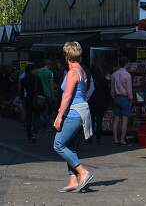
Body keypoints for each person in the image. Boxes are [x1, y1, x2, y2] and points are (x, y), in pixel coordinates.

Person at [53, 42, 94, 193]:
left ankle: (83, 172)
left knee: (58, 144)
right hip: (82, 110)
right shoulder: (81, 70)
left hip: (73, 112)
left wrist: (59, 116)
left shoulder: (72, 73)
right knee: (70, 146)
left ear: (66, 56)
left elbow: (67, 96)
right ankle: (72, 180)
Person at [110, 57, 133, 145]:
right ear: (126, 63)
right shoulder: (127, 75)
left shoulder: (114, 74)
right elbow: (129, 90)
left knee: (116, 119)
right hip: (125, 98)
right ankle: (122, 139)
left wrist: (113, 96)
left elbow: (112, 89)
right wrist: (130, 99)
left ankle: (115, 139)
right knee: (124, 119)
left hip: (116, 98)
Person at [88, 64, 112, 144]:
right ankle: (98, 138)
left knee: (91, 120)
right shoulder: (103, 80)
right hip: (101, 103)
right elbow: (107, 92)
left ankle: (90, 137)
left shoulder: (91, 80)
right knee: (99, 121)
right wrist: (108, 102)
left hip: (92, 102)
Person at [20, 63, 40, 143]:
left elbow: (22, 92)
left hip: (28, 100)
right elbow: (40, 90)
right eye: (34, 69)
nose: (35, 70)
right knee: (36, 117)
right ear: (31, 70)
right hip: (36, 100)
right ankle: (34, 133)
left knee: (29, 118)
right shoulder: (37, 79)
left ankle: (29, 134)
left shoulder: (23, 80)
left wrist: (22, 99)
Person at [35, 59, 55, 128]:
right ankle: (46, 123)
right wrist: (53, 95)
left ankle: (39, 122)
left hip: (39, 93)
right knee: (47, 108)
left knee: (39, 108)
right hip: (48, 93)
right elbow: (51, 85)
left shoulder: (37, 71)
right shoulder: (50, 73)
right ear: (49, 65)